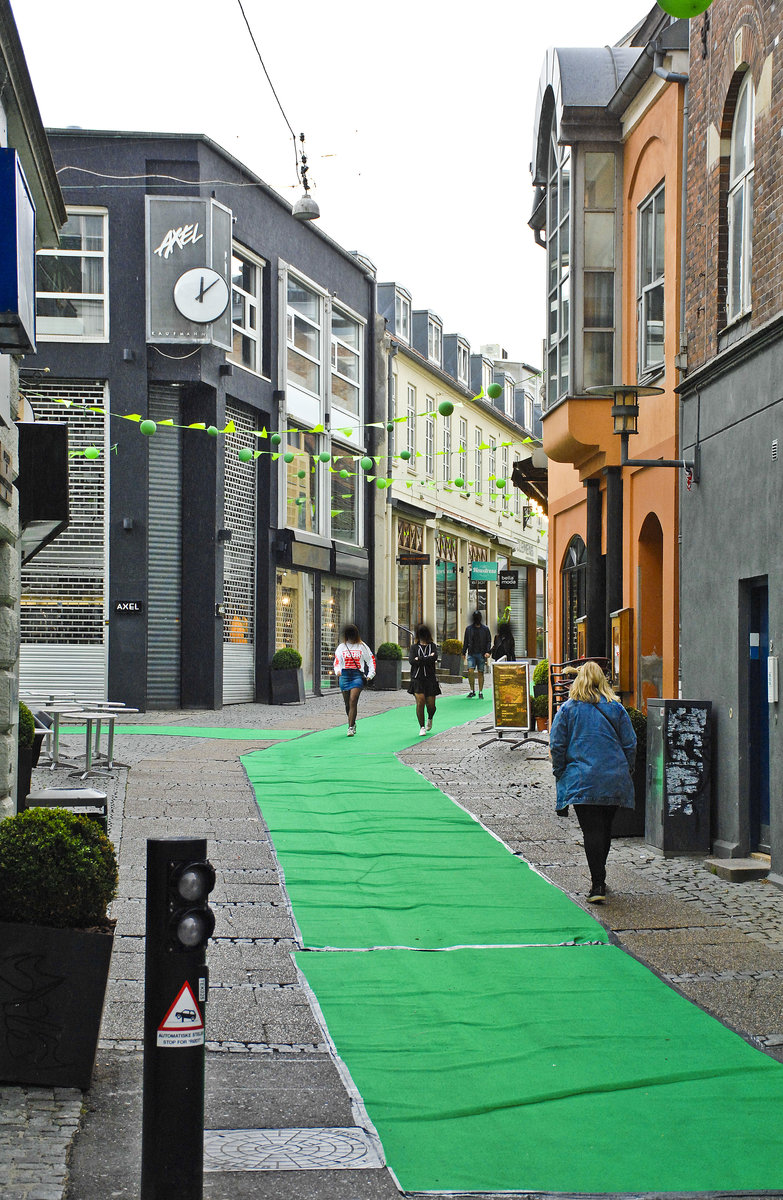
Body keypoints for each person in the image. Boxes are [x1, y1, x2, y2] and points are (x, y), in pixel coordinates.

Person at [549, 660, 636, 903]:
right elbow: (630, 743)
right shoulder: (616, 709)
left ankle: (597, 884)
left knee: (592, 831)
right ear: (602, 681)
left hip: (582, 779)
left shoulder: (567, 710)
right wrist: (626, 770)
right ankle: (601, 877)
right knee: (605, 829)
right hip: (612, 777)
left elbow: (557, 745)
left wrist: (560, 772)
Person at [333, 624, 376, 737]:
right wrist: (337, 671)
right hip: (344, 675)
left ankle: (350, 727)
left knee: (353, 700)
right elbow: (337, 661)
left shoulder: (362, 646)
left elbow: (371, 660)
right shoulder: (341, 647)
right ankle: (353, 722)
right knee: (347, 704)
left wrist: (370, 675)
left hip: (357, 676)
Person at [407, 624, 441, 736]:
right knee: (420, 701)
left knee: (431, 706)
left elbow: (434, 658)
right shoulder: (414, 647)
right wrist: (427, 658)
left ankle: (430, 718)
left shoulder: (433, 646)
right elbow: (412, 661)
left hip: (430, 679)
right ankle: (421, 726)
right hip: (417, 678)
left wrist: (420, 659)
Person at [461, 610, 491, 698]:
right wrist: (463, 652)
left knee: (480, 672)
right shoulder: (469, 629)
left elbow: (488, 641)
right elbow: (466, 641)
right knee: (470, 671)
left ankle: (480, 691)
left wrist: (487, 652)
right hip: (471, 653)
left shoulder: (485, 629)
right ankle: (472, 690)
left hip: (481, 654)